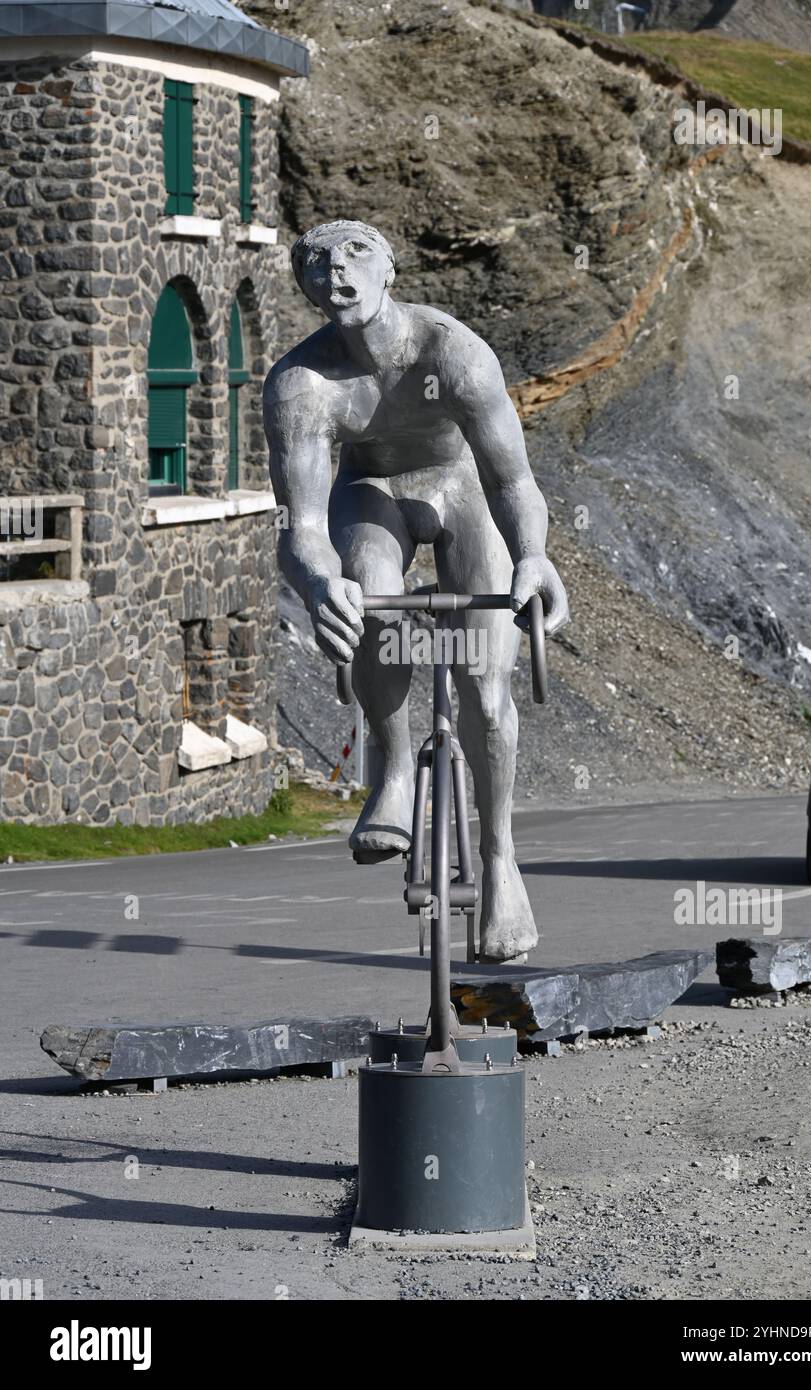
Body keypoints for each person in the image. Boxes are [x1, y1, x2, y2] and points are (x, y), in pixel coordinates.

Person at [264, 220, 569, 961]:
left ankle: (499, 858)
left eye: (356, 254)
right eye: (318, 264)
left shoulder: (452, 353)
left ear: (389, 269)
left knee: (483, 685)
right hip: (370, 490)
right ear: (305, 287)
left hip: (459, 486)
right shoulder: (302, 383)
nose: (337, 270)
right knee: (366, 587)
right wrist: (316, 581)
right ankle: (394, 769)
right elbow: (301, 525)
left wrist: (533, 557)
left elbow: (512, 479)